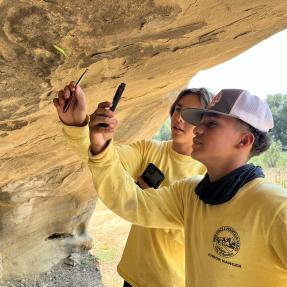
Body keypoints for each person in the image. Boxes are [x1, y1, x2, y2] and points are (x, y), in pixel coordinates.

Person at [82, 89, 287, 287]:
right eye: (201, 122)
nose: (198, 129)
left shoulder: (273, 206)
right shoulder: (190, 193)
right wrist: (100, 146)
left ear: (244, 140)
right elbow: (134, 203)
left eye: (212, 124)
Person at [54, 84, 213, 287]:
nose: (180, 118)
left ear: (205, 124)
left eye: (192, 115)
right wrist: (77, 125)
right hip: (133, 275)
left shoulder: (205, 175)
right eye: (179, 108)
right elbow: (103, 160)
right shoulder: (149, 149)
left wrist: (148, 199)